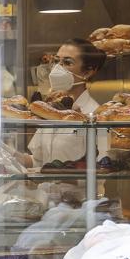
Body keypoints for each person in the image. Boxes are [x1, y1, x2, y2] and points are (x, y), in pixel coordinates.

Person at [27, 39, 108, 168]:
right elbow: (37, 161)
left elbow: (102, 169)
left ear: (88, 72)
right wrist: (5, 151)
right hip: (45, 188)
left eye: (67, 62)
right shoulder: (49, 110)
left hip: (81, 189)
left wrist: (54, 175)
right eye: (56, 61)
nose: (57, 68)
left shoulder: (95, 115)